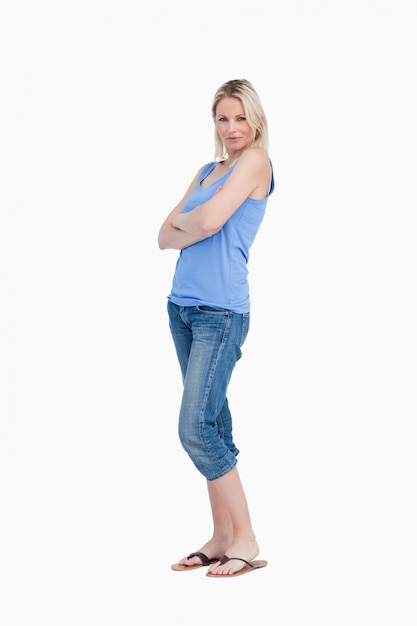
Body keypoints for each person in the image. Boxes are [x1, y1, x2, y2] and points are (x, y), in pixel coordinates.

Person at [158, 78, 275, 577]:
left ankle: (245, 538)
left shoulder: (256, 161)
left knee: (195, 428)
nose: (232, 128)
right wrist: (193, 221)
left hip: (221, 313)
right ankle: (222, 535)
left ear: (256, 120)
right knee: (214, 423)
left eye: (240, 117)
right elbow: (162, 235)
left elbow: (202, 225)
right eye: (223, 118)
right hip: (181, 307)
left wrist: (194, 222)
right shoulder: (208, 170)